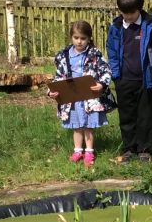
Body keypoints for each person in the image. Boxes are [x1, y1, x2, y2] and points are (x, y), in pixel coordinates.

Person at [105, 0, 152, 163]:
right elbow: (112, 51)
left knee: (145, 115)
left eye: (131, 13)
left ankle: (144, 149)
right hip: (124, 79)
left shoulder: (150, 25)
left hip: (145, 80)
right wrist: (116, 75)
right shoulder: (116, 27)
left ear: (140, 8)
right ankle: (129, 148)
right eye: (124, 13)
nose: (128, 16)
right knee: (127, 115)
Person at [48, 21, 116, 167]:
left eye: (83, 38)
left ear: (89, 38)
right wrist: (52, 91)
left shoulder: (95, 55)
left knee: (88, 125)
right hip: (71, 98)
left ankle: (89, 151)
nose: (79, 41)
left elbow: (106, 71)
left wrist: (102, 84)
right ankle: (78, 150)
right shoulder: (63, 56)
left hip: (88, 98)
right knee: (76, 126)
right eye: (76, 37)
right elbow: (58, 76)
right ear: (71, 37)